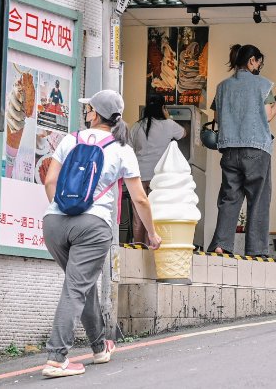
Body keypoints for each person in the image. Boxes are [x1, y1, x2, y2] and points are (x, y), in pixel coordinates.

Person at [41, 89, 162, 378]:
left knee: (80, 286)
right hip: (93, 227)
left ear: (95, 114)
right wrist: (153, 234)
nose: (86, 112)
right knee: (76, 288)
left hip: (54, 223)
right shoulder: (122, 149)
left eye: (89, 108)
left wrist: (61, 210)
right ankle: (57, 357)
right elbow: (140, 199)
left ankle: (99, 347)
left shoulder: (70, 140)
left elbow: (50, 181)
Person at [207, 44, 276, 257]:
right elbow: (268, 116)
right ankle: (256, 249)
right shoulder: (264, 85)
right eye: (259, 61)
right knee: (258, 198)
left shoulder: (222, 87)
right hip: (256, 149)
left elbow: (216, 118)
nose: (259, 65)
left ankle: (221, 244)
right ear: (252, 60)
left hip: (230, 149)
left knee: (229, 197)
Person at [128, 94, 186, 244]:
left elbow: (129, 148)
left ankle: (138, 247)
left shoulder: (137, 126)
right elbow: (184, 133)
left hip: (138, 176)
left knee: (138, 216)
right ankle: (152, 246)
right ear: (163, 108)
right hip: (158, 178)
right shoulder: (168, 125)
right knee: (153, 214)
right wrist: (168, 117)